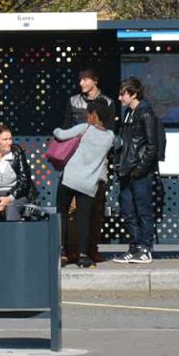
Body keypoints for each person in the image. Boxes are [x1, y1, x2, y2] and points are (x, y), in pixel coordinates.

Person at [61, 64, 116, 264]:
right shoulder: (73, 101)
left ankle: (91, 249)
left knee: (95, 210)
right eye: (80, 79)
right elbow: (66, 127)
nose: (81, 83)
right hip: (76, 162)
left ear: (95, 80)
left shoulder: (108, 102)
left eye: (85, 79)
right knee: (71, 211)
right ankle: (70, 250)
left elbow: (109, 132)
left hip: (97, 164)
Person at [113, 77, 159, 264]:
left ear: (133, 94)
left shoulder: (145, 113)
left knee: (143, 210)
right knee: (127, 210)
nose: (120, 97)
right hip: (126, 170)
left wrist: (139, 170)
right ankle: (134, 246)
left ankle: (145, 248)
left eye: (123, 94)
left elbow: (152, 146)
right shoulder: (128, 113)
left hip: (138, 172)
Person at [0, 123, 38, 221]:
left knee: (11, 208)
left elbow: (24, 182)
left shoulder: (17, 154)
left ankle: (12, 236)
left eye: (10, 139)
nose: (9, 142)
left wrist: (9, 198)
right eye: (5, 139)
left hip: (16, 195)